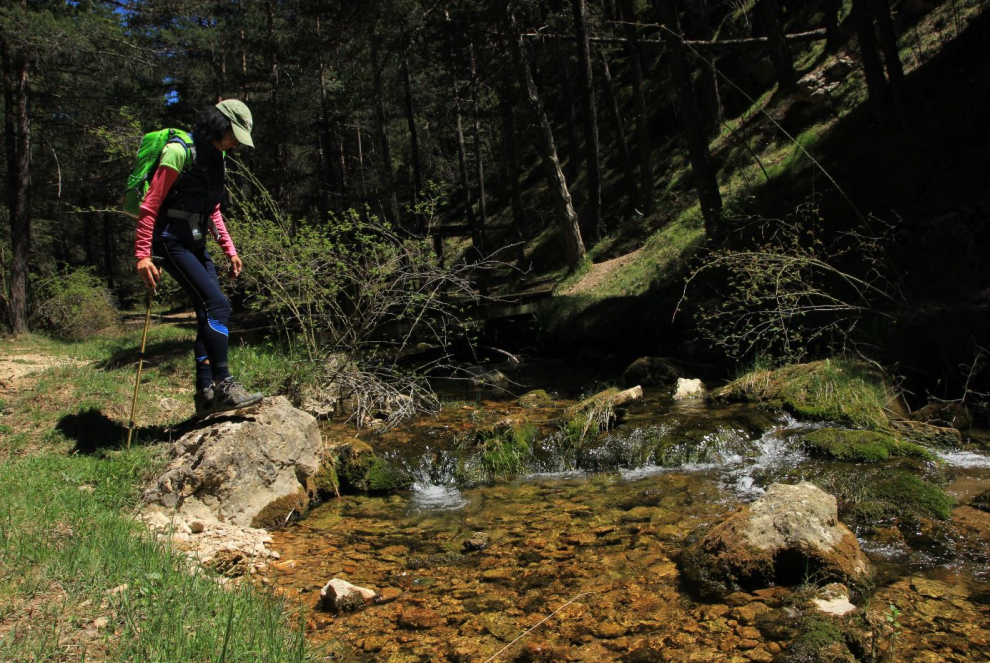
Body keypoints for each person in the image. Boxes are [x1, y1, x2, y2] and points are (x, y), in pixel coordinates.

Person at [134, 99, 263, 415]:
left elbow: (212, 209)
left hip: (195, 240)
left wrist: (229, 249)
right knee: (218, 305)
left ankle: (205, 394)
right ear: (219, 125)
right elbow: (150, 204)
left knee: (210, 311)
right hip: (170, 242)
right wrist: (142, 254)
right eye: (233, 135)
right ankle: (224, 384)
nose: (234, 144)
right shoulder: (180, 152)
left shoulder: (217, 158)